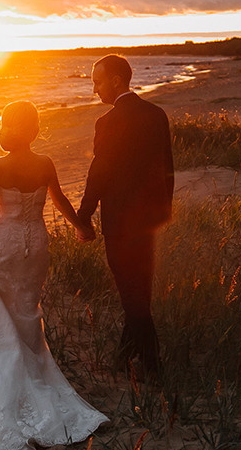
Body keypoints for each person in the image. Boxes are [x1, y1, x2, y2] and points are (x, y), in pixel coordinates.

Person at [0, 100, 108, 450]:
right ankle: (32, 365)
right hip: (36, 244)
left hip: (4, 243)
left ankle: (8, 375)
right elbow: (60, 201)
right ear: (35, 129)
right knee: (28, 308)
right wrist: (81, 226)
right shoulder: (44, 163)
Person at [74, 54, 174, 379]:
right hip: (148, 221)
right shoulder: (156, 114)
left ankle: (153, 367)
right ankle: (124, 357)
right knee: (138, 292)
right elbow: (168, 168)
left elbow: (99, 174)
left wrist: (83, 215)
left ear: (116, 81)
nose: (95, 89)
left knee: (133, 297)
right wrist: (163, 211)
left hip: (119, 224)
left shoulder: (107, 122)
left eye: (98, 82)